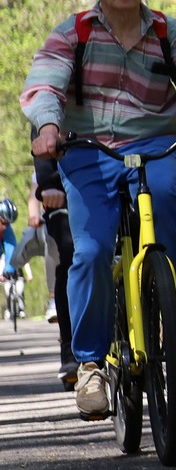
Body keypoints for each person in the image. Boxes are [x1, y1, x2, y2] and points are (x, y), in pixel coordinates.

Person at [21, 0, 176, 420]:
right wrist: (49, 126)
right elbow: (44, 82)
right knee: (93, 250)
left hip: (153, 144)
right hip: (87, 149)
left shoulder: (166, 31)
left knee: (164, 195)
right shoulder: (74, 32)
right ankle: (92, 364)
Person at [13, 165, 76, 386]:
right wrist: (33, 215)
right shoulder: (46, 162)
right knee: (58, 248)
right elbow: (34, 195)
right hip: (59, 210)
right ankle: (53, 298)